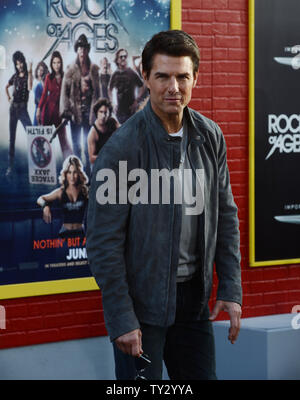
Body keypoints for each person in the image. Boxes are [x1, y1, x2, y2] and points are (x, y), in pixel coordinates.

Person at [86, 30, 242, 380]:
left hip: (194, 303)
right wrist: (122, 318)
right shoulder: (122, 149)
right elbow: (102, 242)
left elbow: (226, 216)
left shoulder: (210, 136)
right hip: (142, 309)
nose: (173, 87)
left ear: (194, 78)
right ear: (146, 77)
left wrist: (231, 287)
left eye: (182, 76)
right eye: (163, 76)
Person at [60, 34, 100, 176]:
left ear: (88, 50)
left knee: (89, 145)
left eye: (84, 48)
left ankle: (89, 173)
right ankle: (78, 174)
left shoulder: (94, 69)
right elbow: (64, 93)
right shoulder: (70, 69)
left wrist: (97, 113)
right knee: (76, 145)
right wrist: (66, 112)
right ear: (77, 50)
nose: (82, 51)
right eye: (80, 48)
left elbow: (98, 92)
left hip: (90, 113)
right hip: (75, 113)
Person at [37, 155, 88, 238]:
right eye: (69, 172)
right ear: (65, 173)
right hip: (65, 234)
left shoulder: (85, 191)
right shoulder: (60, 192)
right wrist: (45, 206)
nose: (72, 177)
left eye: (75, 172)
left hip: (80, 234)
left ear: (79, 173)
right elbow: (40, 198)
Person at [36, 51, 72, 159]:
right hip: (47, 111)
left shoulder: (65, 76)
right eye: (54, 63)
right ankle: (42, 159)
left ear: (61, 63)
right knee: (44, 138)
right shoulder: (48, 77)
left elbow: (68, 95)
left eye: (59, 63)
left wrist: (67, 112)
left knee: (63, 139)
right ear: (51, 64)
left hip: (60, 113)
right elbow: (44, 94)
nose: (57, 65)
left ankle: (68, 160)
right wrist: (39, 109)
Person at [5, 50, 33, 177]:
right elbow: (6, 87)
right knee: (12, 138)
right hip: (13, 109)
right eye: (17, 64)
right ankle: (10, 166)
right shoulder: (14, 77)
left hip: (23, 109)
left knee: (32, 134)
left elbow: (30, 87)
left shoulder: (27, 75)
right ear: (15, 65)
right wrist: (9, 98)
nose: (19, 66)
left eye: (21, 63)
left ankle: (37, 162)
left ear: (23, 62)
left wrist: (31, 70)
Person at [108, 48, 144, 124]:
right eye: (121, 57)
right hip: (119, 112)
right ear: (117, 59)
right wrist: (112, 103)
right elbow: (109, 89)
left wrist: (137, 101)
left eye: (125, 56)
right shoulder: (115, 74)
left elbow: (142, 86)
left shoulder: (131, 72)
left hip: (131, 111)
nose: (123, 58)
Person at [87, 98, 119, 167]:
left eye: (105, 112)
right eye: (101, 112)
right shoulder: (92, 133)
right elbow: (92, 159)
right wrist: (107, 156)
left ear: (109, 114)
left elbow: (124, 133)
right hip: (101, 166)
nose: (103, 116)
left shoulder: (112, 122)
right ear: (96, 113)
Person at [33, 61, 48, 126]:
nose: (39, 71)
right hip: (37, 107)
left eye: (41, 70)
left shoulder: (44, 82)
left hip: (44, 108)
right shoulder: (35, 81)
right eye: (39, 69)